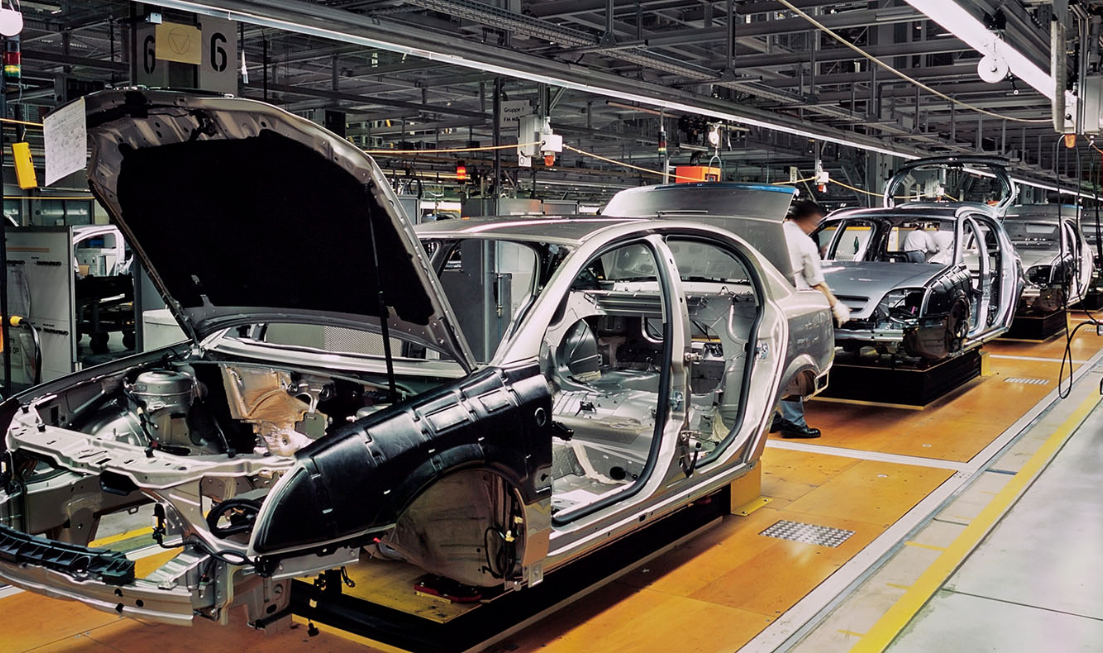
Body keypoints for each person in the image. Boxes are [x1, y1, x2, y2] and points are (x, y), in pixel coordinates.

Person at [771, 200, 850, 439]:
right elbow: (816, 280)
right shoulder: (804, 242)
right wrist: (836, 305)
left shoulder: (774, 232)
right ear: (807, 218)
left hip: (767, 307)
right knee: (795, 365)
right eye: (816, 221)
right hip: (792, 308)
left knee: (770, 364)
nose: (816, 226)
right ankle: (793, 423)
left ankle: (772, 417)